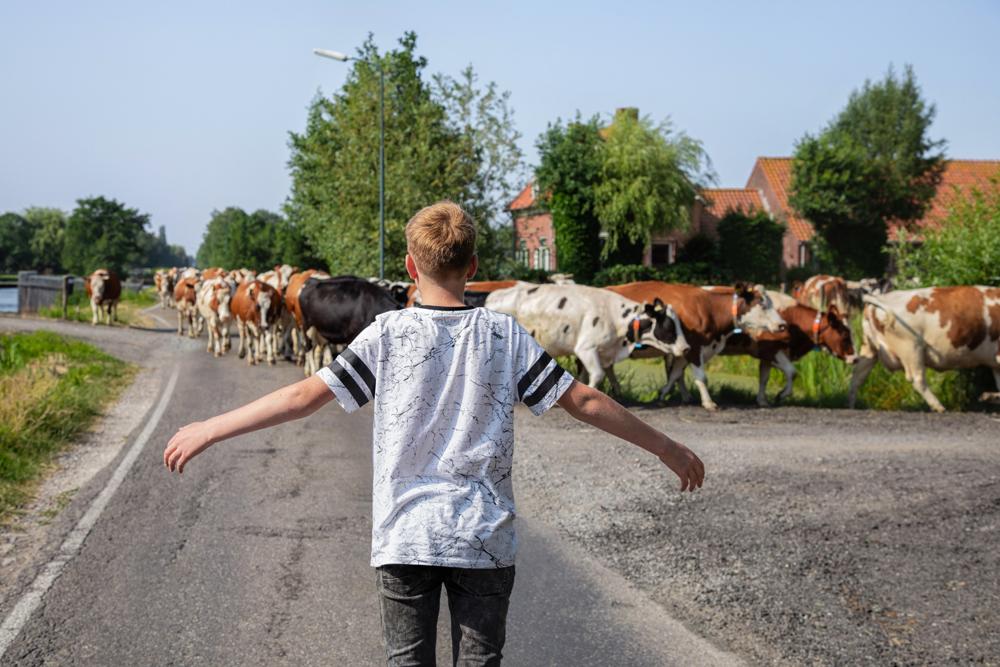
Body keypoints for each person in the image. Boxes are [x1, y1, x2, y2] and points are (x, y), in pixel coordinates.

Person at [163, 200, 704, 666]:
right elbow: (582, 399)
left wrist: (212, 427)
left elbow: (304, 397)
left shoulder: (387, 333)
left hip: (406, 536)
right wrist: (668, 447)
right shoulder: (502, 334)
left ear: (409, 265)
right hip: (483, 537)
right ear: (473, 266)